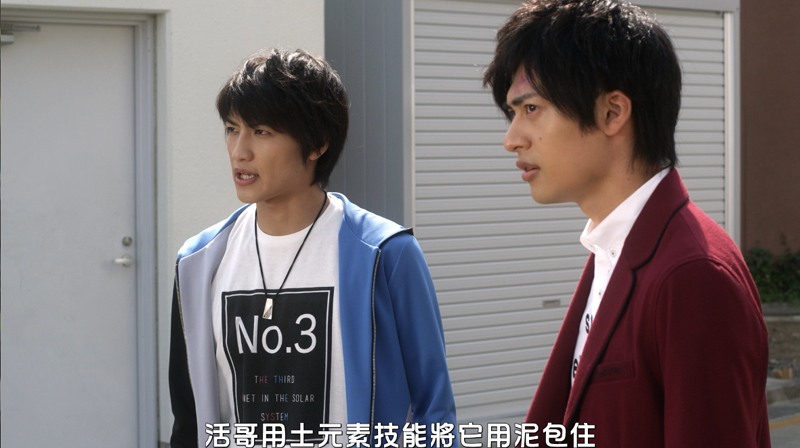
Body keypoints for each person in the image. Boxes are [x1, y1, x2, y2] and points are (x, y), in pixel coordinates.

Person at [483, 1, 770, 446]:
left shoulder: (693, 275)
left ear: (612, 112)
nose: (511, 139)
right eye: (513, 113)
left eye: (532, 108)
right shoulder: (616, 248)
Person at [169, 48, 456, 448]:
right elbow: (189, 419)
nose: (239, 150)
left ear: (318, 143)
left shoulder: (385, 254)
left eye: (261, 132)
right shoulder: (198, 263)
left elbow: (434, 410)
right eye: (232, 129)